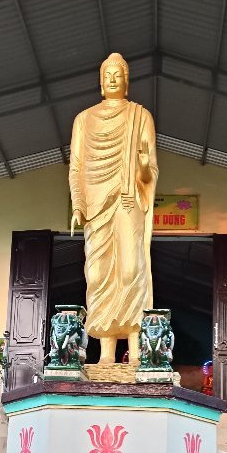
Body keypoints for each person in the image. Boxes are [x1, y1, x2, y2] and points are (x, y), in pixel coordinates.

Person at [69, 53, 158, 365]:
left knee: (131, 269)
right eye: (107, 73)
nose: (112, 78)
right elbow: (77, 168)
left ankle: (135, 350)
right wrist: (78, 204)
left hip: (127, 199)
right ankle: (106, 352)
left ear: (127, 80)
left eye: (117, 73)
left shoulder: (140, 116)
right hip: (95, 205)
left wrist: (144, 164)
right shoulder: (83, 119)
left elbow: (149, 174)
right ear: (100, 80)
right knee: (98, 273)